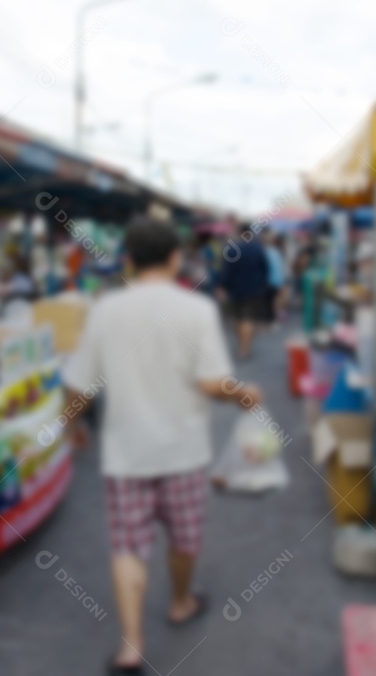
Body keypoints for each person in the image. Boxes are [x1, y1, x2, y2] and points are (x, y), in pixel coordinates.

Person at [57, 217, 262, 676]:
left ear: (127, 260)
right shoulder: (198, 309)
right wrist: (243, 392)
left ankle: (131, 646)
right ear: (176, 259)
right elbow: (212, 383)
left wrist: (69, 426)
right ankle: (180, 602)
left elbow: (80, 386)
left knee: (128, 545)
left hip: (126, 452)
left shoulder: (106, 309)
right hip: (182, 450)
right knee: (184, 537)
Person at [218, 224, 270, 360]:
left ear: (240, 232)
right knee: (248, 318)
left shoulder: (233, 249)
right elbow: (265, 269)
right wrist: (262, 284)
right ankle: (245, 349)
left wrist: (222, 286)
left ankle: (241, 345)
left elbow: (226, 270)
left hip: (236, 290)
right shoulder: (258, 249)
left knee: (238, 318)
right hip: (254, 289)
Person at [263, 233, 287, 327]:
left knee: (268, 302)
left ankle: (269, 321)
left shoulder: (266, 252)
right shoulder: (276, 252)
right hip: (277, 281)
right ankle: (273, 321)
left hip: (269, 281)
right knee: (273, 301)